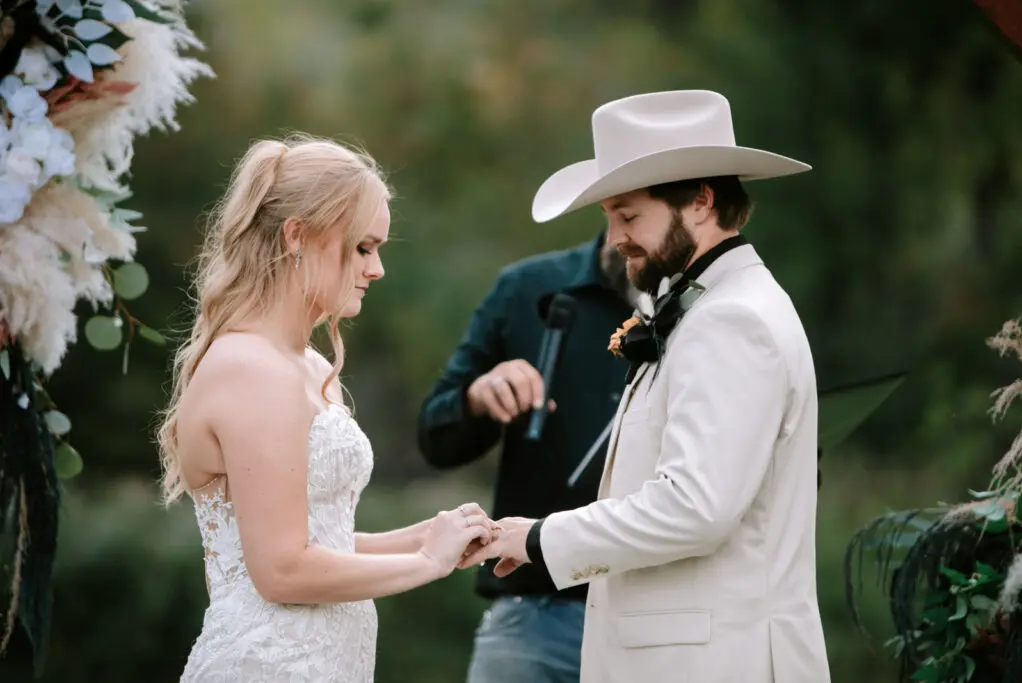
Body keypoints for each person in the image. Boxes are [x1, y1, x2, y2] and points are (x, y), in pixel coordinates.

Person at [463, 90, 832, 683]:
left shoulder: (732, 319)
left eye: (629, 216)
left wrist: (539, 537)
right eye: (610, 217)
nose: (614, 237)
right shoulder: (710, 307)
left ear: (701, 201)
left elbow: (694, 507)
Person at [156, 135, 496, 683]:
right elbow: (282, 570)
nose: (377, 268)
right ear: (296, 235)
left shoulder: (310, 367)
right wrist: (424, 564)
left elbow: (319, 544)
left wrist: (426, 536)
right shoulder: (248, 368)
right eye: (363, 248)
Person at [417, 231, 635, 682]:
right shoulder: (527, 287)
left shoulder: (710, 308)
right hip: (536, 616)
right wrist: (477, 398)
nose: (625, 233)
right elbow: (435, 437)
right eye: (619, 212)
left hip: (663, 618)